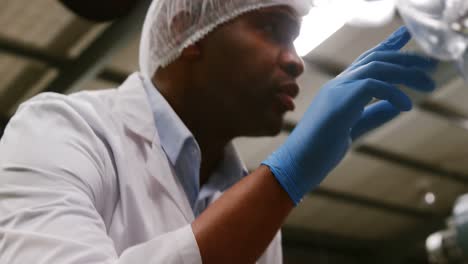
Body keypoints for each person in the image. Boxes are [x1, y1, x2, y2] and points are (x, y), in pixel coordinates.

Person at [0, 0, 437, 263]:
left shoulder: (253, 206)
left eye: (296, 39)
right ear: (186, 28)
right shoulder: (60, 130)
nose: (296, 61)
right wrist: (287, 176)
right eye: (272, 29)